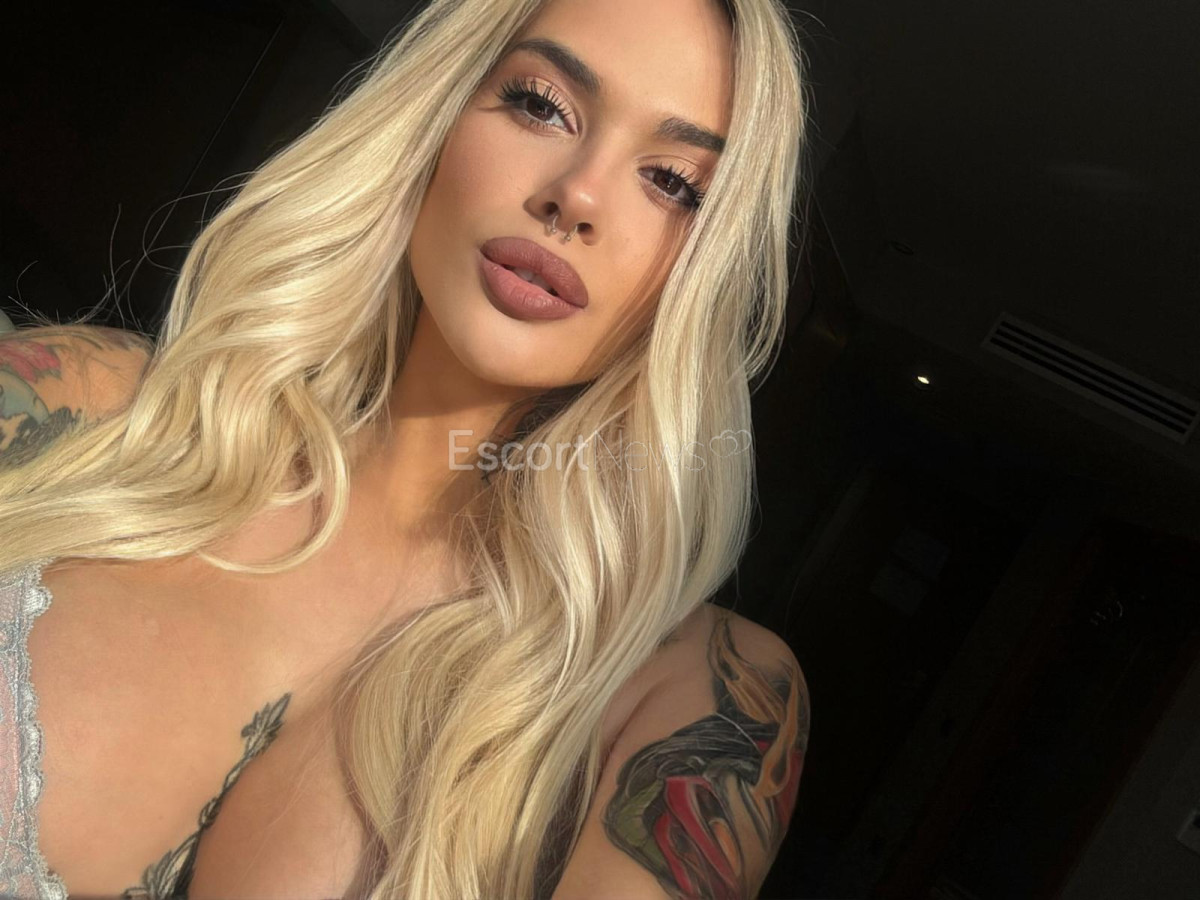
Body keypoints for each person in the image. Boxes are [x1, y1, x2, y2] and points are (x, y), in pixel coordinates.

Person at [0, 0, 812, 896]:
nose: (577, 194)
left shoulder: (698, 697)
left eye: (674, 183)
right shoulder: (83, 405)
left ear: (709, 270)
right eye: (542, 105)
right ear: (438, 112)